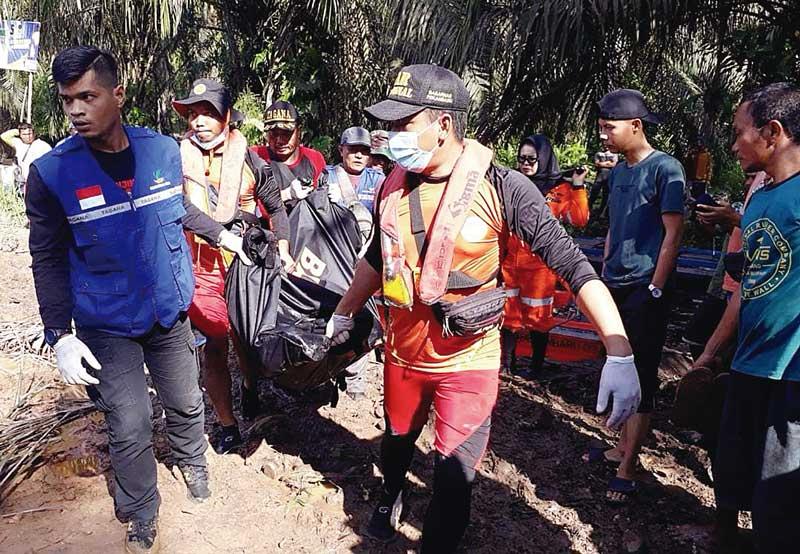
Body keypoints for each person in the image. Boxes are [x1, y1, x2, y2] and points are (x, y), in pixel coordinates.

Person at [325, 64, 642, 552]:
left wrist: (618, 352)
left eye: (403, 124)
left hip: (467, 359)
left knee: (454, 481)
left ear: (443, 124)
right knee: (396, 443)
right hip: (404, 353)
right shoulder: (392, 183)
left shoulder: (504, 187)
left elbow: (574, 268)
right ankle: (390, 493)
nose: (390, 136)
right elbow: (376, 255)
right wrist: (345, 311)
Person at [25, 46, 250, 553]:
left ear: (118, 94)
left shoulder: (161, 152)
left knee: (186, 400)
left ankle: (192, 460)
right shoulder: (52, 175)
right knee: (129, 422)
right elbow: (47, 258)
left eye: (88, 96)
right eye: (67, 101)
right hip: (106, 322)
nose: (77, 110)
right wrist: (58, 334)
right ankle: (141, 509)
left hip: (167, 308)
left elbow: (175, 209)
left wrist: (221, 234)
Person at [692, 83, 800, 553]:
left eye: (740, 133)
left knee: (779, 501)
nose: (733, 144)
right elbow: (746, 290)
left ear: (772, 132)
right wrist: (709, 354)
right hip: (748, 365)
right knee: (731, 473)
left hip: (792, 375)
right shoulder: (759, 200)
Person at [173, 79, 292, 453]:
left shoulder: (252, 159)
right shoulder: (175, 160)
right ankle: (227, 423)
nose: (199, 121)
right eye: (193, 113)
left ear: (226, 117)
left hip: (247, 269)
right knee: (214, 344)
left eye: (208, 112)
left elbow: (275, 209)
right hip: (201, 267)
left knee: (248, 341)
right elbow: (179, 208)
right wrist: (220, 237)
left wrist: (284, 249)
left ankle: (251, 386)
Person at [591, 88, 685, 504]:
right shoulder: (619, 172)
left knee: (643, 373)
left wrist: (656, 287)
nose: (604, 136)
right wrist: (606, 266)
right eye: (601, 128)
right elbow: (616, 225)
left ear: (635, 126)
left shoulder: (666, 169)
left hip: (646, 285)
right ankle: (619, 447)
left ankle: (630, 464)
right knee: (619, 365)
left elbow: (673, 234)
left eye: (609, 128)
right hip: (616, 281)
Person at [501, 134, 589, 377]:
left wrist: (578, 187)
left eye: (531, 158)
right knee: (508, 316)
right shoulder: (510, 183)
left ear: (544, 158)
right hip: (509, 263)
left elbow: (579, 220)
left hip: (540, 267)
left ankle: (535, 369)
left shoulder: (559, 189)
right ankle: (507, 366)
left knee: (538, 318)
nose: (525, 163)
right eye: (521, 158)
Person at [323, 126, 385, 400]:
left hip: (366, 260)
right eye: (353, 150)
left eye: (364, 151)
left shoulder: (379, 179)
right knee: (333, 311)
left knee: (365, 314)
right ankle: (329, 370)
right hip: (333, 257)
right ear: (341, 151)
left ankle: (355, 374)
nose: (359, 156)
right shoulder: (327, 177)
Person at [251, 100, 326, 210]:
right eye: (273, 134)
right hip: (266, 225)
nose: (279, 141)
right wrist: (286, 195)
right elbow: (247, 203)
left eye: (286, 134)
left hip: (306, 224)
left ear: (299, 131)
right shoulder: (255, 156)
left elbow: (322, 200)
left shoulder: (314, 158)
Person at [1, 121, 51, 194]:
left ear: (34, 133)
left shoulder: (43, 146)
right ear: (20, 135)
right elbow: (4, 136)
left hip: (39, 182)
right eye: (24, 134)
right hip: (23, 182)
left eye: (29, 133)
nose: (27, 136)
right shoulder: (18, 143)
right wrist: (17, 131)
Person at [588, 145, 618, 215]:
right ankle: (589, 208)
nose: (606, 147)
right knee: (594, 192)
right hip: (599, 176)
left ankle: (601, 212)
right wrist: (608, 163)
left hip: (609, 177)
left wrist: (602, 164)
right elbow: (597, 164)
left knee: (606, 194)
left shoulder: (614, 154)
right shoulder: (598, 153)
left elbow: (614, 164)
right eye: (604, 145)